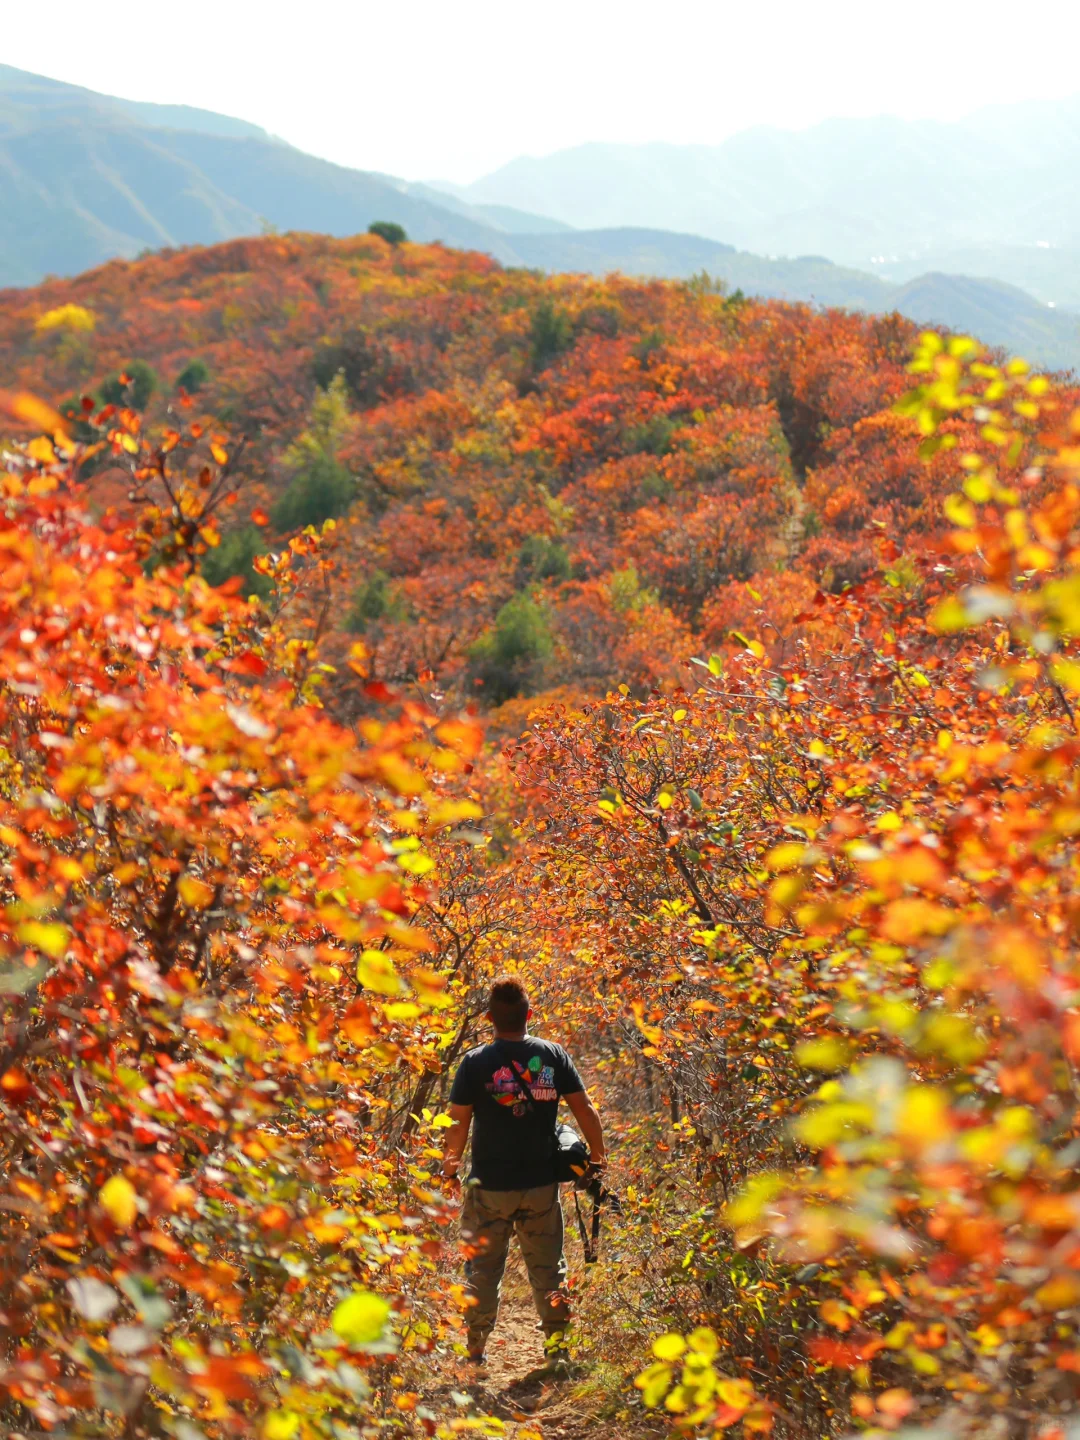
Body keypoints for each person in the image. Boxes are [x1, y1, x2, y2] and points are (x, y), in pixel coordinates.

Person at [441, 976, 606, 1366]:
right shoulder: (553, 1055)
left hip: (489, 1186)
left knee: (482, 1269)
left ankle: (475, 1350)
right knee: (549, 1269)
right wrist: (597, 1158)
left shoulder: (475, 1062)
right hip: (540, 1186)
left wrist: (448, 1172)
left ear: (489, 1018)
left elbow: (457, 1124)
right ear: (529, 1015)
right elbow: (585, 1110)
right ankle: (557, 1350)